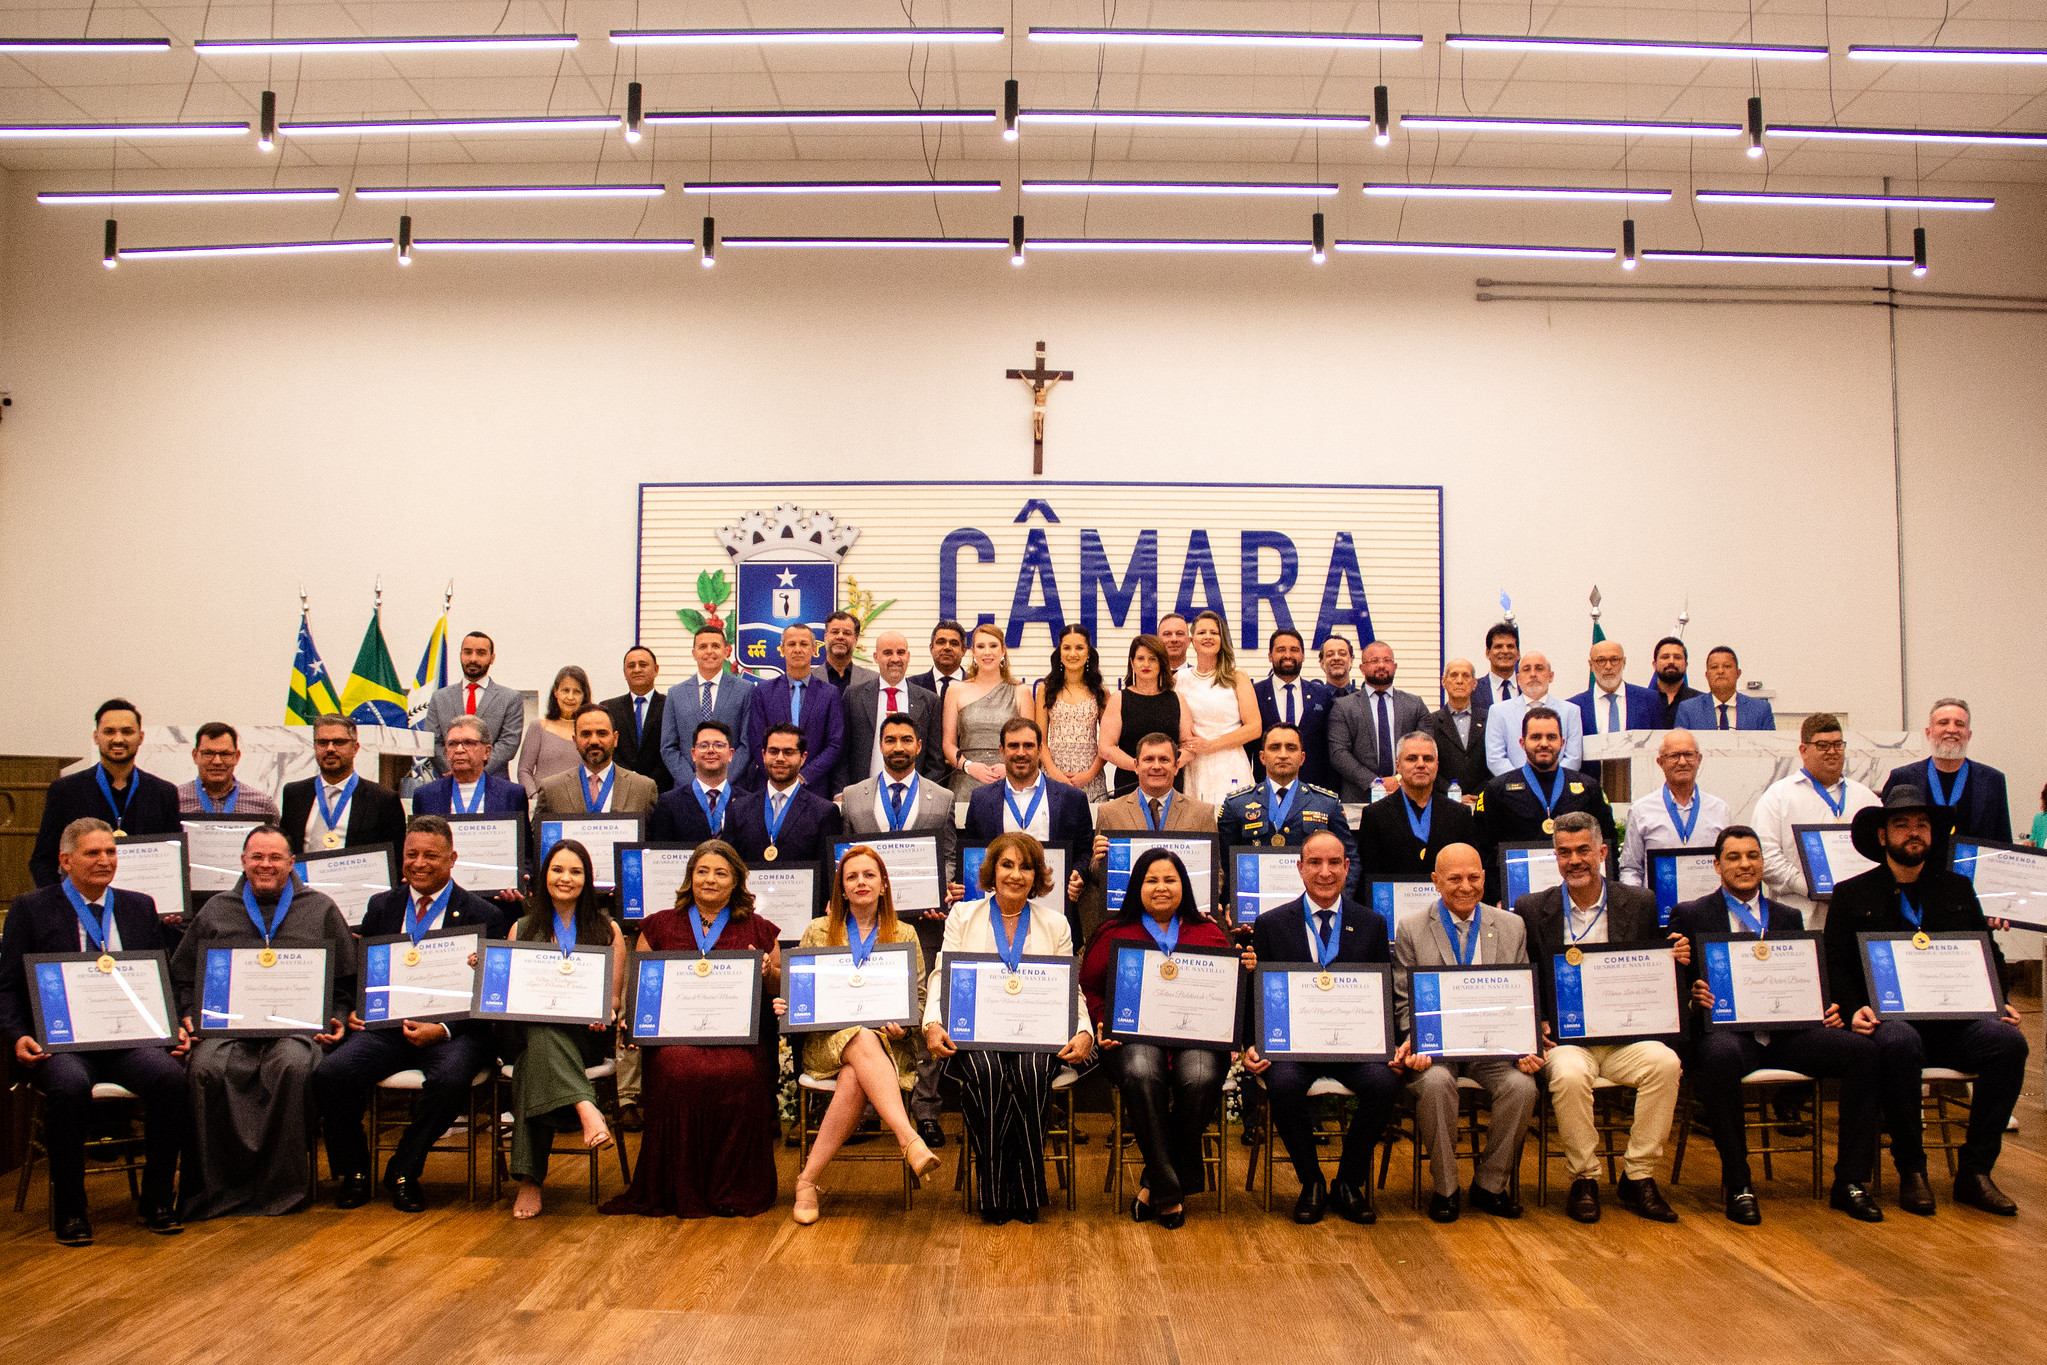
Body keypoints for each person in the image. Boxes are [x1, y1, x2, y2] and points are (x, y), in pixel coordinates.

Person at [1669, 826, 1886, 1225]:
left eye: (1752, 856)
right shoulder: (1691, 914)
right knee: (1719, 1055)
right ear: (1716, 865)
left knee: (1863, 1052)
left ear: (1762, 863)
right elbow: (1674, 983)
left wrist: (1825, 1007)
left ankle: (1851, 1181)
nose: (1745, 864)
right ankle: (1739, 1184)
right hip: (1729, 1035)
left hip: (1787, 1035)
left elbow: (1805, 979)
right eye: (1734, 857)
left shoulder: (1788, 916)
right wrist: (1692, 995)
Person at [1826, 787, 2027, 1216]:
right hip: (1890, 1024)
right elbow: (1836, 964)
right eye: (1901, 825)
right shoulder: (1851, 893)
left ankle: (1976, 1172)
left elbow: (1987, 952)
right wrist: (1854, 1007)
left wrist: (2000, 1000)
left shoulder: (1957, 888)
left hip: (1956, 1024)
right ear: (1883, 836)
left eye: (1922, 824)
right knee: (1900, 1042)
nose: (1914, 832)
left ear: (1933, 834)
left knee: (2008, 1043)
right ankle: (1912, 1170)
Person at [0, 819, 188, 1244]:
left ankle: (158, 1200)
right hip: (62, 1042)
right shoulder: (31, 908)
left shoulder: (139, 906)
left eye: (111, 852)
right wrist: (16, 1035)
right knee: (69, 1087)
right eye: (93, 853)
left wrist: (173, 1023)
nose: (105, 861)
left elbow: (159, 978)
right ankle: (71, 1209)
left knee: (171, 1080)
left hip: (128, 1039)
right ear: (65, 861)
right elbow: (7, 986)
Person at [314, 816, 508, 1213]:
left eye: (431, 856)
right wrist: (358, 1008)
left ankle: (404, 1169)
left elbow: (492, 994)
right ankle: (354, 1172)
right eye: (411, 854)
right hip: (387, 1029)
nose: (419, 863)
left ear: (452, 858)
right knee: (330, 1074)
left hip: (454, 1031)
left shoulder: (484, 914)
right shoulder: (381, 905)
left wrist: (443, 1029)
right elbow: (365, 970)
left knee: (451, 1078)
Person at [172, 824, 356, 1220]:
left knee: (292, 1066)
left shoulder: (320, 908)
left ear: (292, 862)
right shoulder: (217, 909)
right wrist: (188, 1013)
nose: (266, 865)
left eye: (275, 857)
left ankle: (281, 1190)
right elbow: (183, 977)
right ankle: (214, 1191)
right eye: (257, 857)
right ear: (242, 861)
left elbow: (345, 984)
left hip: (296, 1029)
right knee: (204, 1069)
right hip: (227, 1030)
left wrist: (338, 1018)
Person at [1514, 813, 1683, 1224]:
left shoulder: (1639, 903)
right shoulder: (1532, 908)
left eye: (1583, 850)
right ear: (1555, 858)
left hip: (1626, 1037)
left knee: (1666, 1063)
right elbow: (1524, 975)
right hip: (1567, 1040)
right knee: (1569, 1075)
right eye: (1564, 852)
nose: (1574, 860)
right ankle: (1584, 1177)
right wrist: (1537, 1021)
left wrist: (1673, 958)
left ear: (1603, 852)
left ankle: (1638, 1175)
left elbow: (1652, 971)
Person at [601, 840, 782, 1219]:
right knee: (676, 1068)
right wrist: (637, 1026)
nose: (710, 880)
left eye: (720, 873)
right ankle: (677, 1188)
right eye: (702, 871)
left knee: (741, 1071)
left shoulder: (759, 928)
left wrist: (768, 971)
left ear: (736, 881)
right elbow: (644, 985)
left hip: (736, 1036)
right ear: (690, 877)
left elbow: (778, 986)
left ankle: (731, 1189)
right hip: (676, 1035)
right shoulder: (659, 925)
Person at [923, 832, 1097, 1223]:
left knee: (1031, 1071)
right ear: (992, 870)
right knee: (987, 1072)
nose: (1016, 875)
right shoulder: (963, 916)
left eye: (1026, 867)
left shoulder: (1056, 924)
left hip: (1037, 1035)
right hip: (976, 1035)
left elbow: (1070, 989)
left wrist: (1084, 1031)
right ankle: (995, 1191)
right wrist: (932, 1023)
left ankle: (1026, 1190)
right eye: (1007, 865)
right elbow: (942, 975)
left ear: (1036, 877)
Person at [1239, 831, 1401, 1225]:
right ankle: (1311, 1181)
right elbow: (1257, 993)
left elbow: (1382, 992)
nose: (1324, 872)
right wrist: (1251, 1044)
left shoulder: (1372, 924)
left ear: (1347, 867)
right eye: (1314, 863)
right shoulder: (1271, 924)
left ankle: (1348, 1182)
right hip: (1295, 1047)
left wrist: (1393, 1045)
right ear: (1300, 868)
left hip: (1354, 1047)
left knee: (1384, 1083)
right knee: (1282, 1085)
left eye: (1333, 863)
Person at [774, 846, 940, 1224]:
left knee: (856, 1068)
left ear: (884, 885)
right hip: (826, 1042)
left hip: (888, 1044)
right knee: (860, 1038)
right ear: (842, 889)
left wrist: (905, 1025)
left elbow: (918, 998)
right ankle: (908, 1138)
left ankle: (806, 1181)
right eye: (851, 877)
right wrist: (788, 1002)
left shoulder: (904, 933)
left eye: (869, 875)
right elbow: (801, 990)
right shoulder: (818, 930)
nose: (861, 882)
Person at [1081, 848, 1240, 1228]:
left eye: (1170, 879)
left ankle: (1155, 1184)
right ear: (1137, 886)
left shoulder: (1208, 932)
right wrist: (1103, 1023)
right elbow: (1091, 989)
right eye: (1152, 880)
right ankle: (1173, 1189)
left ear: (1184, 886)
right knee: (1141, 1072)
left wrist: (1242, 976)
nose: (1161, 887)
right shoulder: (1113, 932)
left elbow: (1228, 993)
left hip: (1196, 1038)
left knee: (1200, 1076)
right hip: (1130, 1039)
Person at [1392, 843, 1541, 1223]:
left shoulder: (1511, 926)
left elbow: (1521, 995)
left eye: (1474, 877)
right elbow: (1404, 1000)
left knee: (1522, 1087)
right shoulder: (1411, 928)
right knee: (1435, 1084)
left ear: (1485, 878)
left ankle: (1490, 1184)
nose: (1465, 886)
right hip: (1437, 1050)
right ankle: (1446, 1188)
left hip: (1492, 1048)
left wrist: (1527, 1042)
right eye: (1454, 878)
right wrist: (1414, 1038)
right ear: (1435, 881)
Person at [841, 711, 965, 1147]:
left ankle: (926, 1110)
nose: (898, 747)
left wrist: (941, 892)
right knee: (869, 1010)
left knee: (925, 1013)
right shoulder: (853, 797)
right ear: (880, 745)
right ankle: (869, 1109)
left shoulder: (941, 797)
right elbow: (845, 859)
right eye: (890, 739)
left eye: (906, 740)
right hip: (867, 927)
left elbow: (948, 855)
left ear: (918, 746)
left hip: (924, 926)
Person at [502, 839, 627, 1220]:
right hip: (528, 1027)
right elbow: (509, 994)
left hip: (586, 1034)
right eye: (557, 870)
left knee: (534, 1060)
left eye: (575, 871)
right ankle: (586, 1106)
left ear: (587, 879)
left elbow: (613, 999)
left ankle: (530, 1180)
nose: (565, 878)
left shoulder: (607, 930)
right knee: (540, 1031)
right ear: (544, 876)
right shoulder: (521, 928)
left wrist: (605, 1011)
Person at [30, 698, 182, 886]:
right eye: (109, 732)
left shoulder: (164, 793)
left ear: (141, 737)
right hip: (82, 900)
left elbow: (175, 860)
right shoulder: (65, 791)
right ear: (96, 737)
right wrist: (60, 899)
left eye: (127, 732)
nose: (118, 739)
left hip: (144, 899)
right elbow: (43, 860)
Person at [1752, 713, 1881, 929]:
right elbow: (1766, 857)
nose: (1832, 751)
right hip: (1800, 917)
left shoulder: (1866, 797)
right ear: (1803, 750)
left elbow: (1881, 853)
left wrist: (1855, 892)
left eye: (1837, 744)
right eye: (1822, 745)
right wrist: (1810, 887)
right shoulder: (1778, 796)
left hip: (1859, 915)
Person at [1476, 707, 1618, 901]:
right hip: (1517, 898)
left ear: (1562, 742)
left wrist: (1609, 895)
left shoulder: (1588, 787)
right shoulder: (1496, 790)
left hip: (1579, 894)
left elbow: (1608, 844)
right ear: (1522, 743)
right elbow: (1483, 852)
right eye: (1536, 737)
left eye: (1551, 737)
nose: (1544, 744)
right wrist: (1496, 900)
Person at [964, 718, 1092, 924]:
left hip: (1054, 911)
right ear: (1002, 750)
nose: (1021, 753)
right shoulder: (981, 799)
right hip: (997, 915)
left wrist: (1079, 873)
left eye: (1029, 746)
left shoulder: (1072, 798)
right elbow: (972, 855)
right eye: (1013, 746)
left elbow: (1085, 851)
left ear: (1040, 750)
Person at [1220, 726, 1359, 895]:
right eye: (1275, 747)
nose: (1283, 754)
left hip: (1311, 903)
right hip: (1253, 903)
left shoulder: (1326, 803)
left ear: (1302, 758)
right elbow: (1223, 862)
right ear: (1262, 757)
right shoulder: (1237, 804)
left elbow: (1350, 859)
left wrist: (1336, 901)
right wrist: (1231, 903)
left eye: (1291, 748)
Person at [1881, 698, 2012, 843]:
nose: (1952, 730)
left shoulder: (1992, 780)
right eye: (1943, 723)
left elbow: (2003, 841)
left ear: (1969, 735)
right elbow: (1885, 835)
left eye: (1960, 724)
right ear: (1928, 733)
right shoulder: (1902, 778)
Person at [279, 714, 407, 855]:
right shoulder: (294, 794)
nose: (330, 748)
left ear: (355, 748)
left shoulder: (384, 799)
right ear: (315, 746)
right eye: (322, 742)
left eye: (339, 742)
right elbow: (286, 851)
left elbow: (394, 858)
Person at [1619, 730, 1732, 887]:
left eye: (1688, 754)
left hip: (1709, 901)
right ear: (1660, 762)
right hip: (1657, 902)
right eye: (1674, 756)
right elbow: (1631, 869)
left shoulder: (1720, 810)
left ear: (1699, 759)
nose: (1682, 762)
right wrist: (1638, 900)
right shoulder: (1641, 810)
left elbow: (1729, 864)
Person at [1355, 733, 1478, 876]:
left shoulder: (1459, 814)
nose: (1421, 764)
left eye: (1428, 759)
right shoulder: (1375, 815)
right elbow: (1368, 877)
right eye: (1412, 759)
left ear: (1436, 766)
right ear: (1398, 766)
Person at [838, 628, 945, 789]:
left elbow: (935, 760)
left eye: (900, 652)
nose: (895, 659)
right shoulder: (853, 696)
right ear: (876, 657)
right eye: (888, 653)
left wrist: (924, 794)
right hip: (862, 792)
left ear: (908, 656)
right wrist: (842, 792)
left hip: (913, 794)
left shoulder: (929, 701)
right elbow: (841, 752)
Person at [743, 624, 845, 792]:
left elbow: (834, 744)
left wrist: (803, 777)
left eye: (804, 644)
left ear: (814, 649)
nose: (797, 649)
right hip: (770, 786)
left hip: (814, 787)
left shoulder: (829, 694)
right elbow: (756, 742)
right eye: (791, 644)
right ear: (782, 649)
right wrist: (777, 777)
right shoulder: (763, 692)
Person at [727, 724, 844, 866]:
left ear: (803, 758)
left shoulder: (824, 812)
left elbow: (827, 871)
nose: (780, 758)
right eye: (773, 751)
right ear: (763, 755)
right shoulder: (739, 809)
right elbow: (729, 866)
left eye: (788, 752)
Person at [1328, 641, 1430, 803]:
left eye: (1387, 660)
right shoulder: (1344, 706)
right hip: (1360, 796)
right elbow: (1339, 754)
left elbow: (1426, 749)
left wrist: (1398, 779)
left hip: (1407, 794)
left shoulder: (1415, 705)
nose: (1381, 665)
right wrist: (1376, 782)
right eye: (1374, 661)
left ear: (1395, 666)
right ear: (1362, 668)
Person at [659, 624, 757, 790]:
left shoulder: (745, 690)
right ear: (694, 653)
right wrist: (695, 784)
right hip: (687, 789)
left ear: (726, 651)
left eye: (715, 646)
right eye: (703, 646)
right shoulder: (675, 694)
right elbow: (668, 747)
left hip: (733, 788)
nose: (709, 651)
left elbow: (746, 744)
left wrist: (722, 781)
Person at [943, 622, 1030, 799]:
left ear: (1003, 650)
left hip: (1009, 782)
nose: (987, 652)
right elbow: (948, 744)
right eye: (981, 646)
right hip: (965, 782)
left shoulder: (1021, 691)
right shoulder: (955, 690)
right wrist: (969, 766)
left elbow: (1030, 744)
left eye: (993, 646)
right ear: (973, 652)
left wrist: (1010, 769)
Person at [1180, 610, 1259, 804]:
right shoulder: (1179, 679)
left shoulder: (1236, 676)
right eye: (1202, 632)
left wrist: (1211, 746)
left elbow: (1254, 728)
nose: (1208, 637)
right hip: (1194, 765)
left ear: (1222, 639)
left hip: (1230, 764)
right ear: (1192, 641)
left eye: (1214, 633)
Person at [1099, 634, 1192, 797]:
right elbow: (1106, 748)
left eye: (1153, 659)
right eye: (1140, 658)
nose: (1146, 664)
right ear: (1132, 663)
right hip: (1129, 784)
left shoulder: (1177, 699)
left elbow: (1189, 746)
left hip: (1169, 785)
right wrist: (1141, 768)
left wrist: (1168, 767)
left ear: (1161, 663)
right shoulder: (1119, 699)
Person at [532, 705, 660, 819]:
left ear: (615, 739)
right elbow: (538, 836)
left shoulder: (643, 789)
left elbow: (652, 837)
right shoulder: (551, 790)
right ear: (575, 741)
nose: (594, 741)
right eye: (586, 734)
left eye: (602, 733)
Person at [425, 631, 524, 777]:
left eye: (481, 653)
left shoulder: (510, 698)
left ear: (492, 658)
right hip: (448, 780)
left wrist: (475, 772)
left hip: (492, 782)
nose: (473, 658)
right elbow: (432, 741)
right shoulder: (439, 698)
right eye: (467, 652)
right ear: (460, 656)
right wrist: (455, 770)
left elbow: (508, 744)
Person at [1251, 628, 1335, 789]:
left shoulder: (1321, 695)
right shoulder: (1255, 694)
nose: (1288, 655)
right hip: (1266, 789)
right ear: (1270, 656)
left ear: (1303, 656)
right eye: (1281, 650)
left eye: (1294, 650)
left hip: (1313, 789)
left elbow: (1328, 749)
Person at [1035, 624, 1110, 801]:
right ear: (1059, 652)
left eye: (1079, 648)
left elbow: (1108, 743)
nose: (1072, 654)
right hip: (1054, 776)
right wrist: (1054, 773)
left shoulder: (1101, 692)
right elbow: (1040, 741)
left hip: (1091, 777)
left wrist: (1089, 774)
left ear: (1088, 652)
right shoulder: (1045, 690)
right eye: (1067, 648)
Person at [411, 715, 531, 820]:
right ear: (446, 752)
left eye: (468, 743)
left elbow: (522, 838)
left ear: (487, 752)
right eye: (452, 744)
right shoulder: (425, 796)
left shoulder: (511, 795)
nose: (459, 750)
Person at [1483, 653, 1586, 775]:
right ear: (1518, 679)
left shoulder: (1570, 711)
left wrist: (1551, 780)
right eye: (1526, 669)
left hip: (1558, 784)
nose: (1533, 674)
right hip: (1513, 785)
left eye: (1539, 668)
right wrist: (1522, 782)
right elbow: (1495, 759)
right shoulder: (1498, 712)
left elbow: (1573, 758)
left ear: (1551, 676)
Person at [648, 721, 744, 843]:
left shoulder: (747, 803)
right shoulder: (669, 804)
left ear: (730, 754)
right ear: (693, 754)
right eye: (703, 746)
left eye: (719, 745)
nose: (711, 750)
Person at [602, 645, 673, 794]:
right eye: (631, 666)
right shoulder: (609, 708)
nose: (637, 669)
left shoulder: (671, 705)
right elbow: (608, 749)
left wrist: (647, 782)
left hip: (662, 790)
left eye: (643, 664)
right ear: (624, 672)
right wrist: (630, 778)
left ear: (656, 670)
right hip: (620, 789)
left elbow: (673, 748)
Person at [178, 721, 281, 820]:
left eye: (225, 754)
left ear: (237, 757)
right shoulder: (175, 801)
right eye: (208, 753)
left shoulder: (264, 806)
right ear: (195, 756)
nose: (217, 761)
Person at [516, 666, 593, 797]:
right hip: (543, 803)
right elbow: (524, 771)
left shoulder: (590, 731)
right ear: (556, 692)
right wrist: (535, 797)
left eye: (577, 692)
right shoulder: (538, 727)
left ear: (584, 696)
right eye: (565, 690)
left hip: (579, 803)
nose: (570, 697)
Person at [1423, 659, 1489, 802]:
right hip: (1444, 801)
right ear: (1444, 682)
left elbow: (1494, 760)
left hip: (1483, 801)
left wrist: (1480, 794)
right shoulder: (1431, 722)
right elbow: (1428, 764)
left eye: (1466, 676)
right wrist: (1453, 794)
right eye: (1454, 675)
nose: (1459, 681)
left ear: (1474, 684)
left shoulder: (1489, 719)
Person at [1569, 640, 1662, 735]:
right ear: (1591, 665)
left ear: (1624, 662)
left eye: (1614, 660)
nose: (1608, 666)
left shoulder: (1650, 700)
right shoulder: (1574, 706)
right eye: (1601, 661)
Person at [1674, 647, 1777, 732]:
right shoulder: (1688, 709)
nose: (1720, 671)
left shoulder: (1760, 710)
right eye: (1714, 667)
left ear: (1738, 673)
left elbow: (1770, 748)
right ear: (1707, 675)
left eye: (1727, 666)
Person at [908, 619, 970, 704]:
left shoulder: (977, 685)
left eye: (954, 643)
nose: (947, 647)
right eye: (941, 642)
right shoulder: (912, 685)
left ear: (964, 650)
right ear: (931, 648)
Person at [1649, 636, 1703, 729]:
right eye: (1665, 657)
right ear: (1654, 664)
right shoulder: (1642, 701)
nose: (1671, 661)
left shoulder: (1701, 702)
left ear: (1686, 665)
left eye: (1677, 657)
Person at [820, 609, 878, 693]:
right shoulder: (809, 679)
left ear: (856, 640)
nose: (840, 637)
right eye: (835, 632)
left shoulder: (873, 680)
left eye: (847, 633)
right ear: (825, 637)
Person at [1472, 622, 1520, 716]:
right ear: (1487, 653)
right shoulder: (1473, 690)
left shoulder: (1527, 688)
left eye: (1510, 646)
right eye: (1498, 646)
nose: (1505, 651)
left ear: (1518, 654)